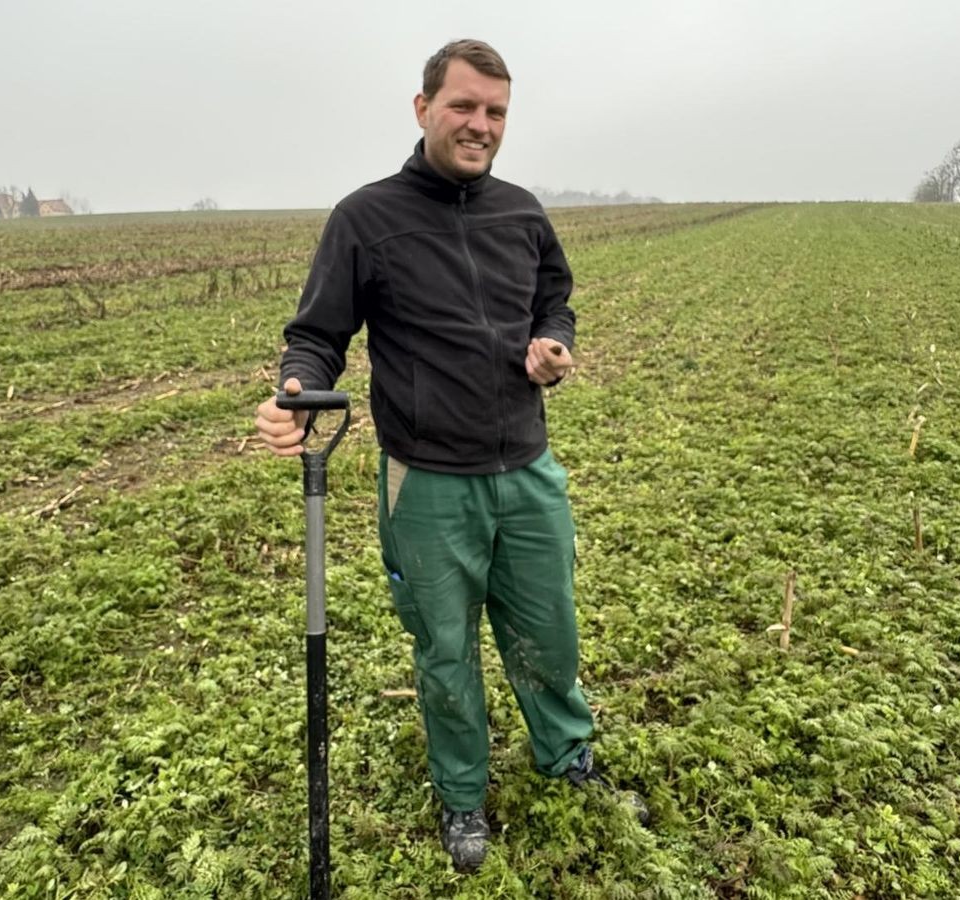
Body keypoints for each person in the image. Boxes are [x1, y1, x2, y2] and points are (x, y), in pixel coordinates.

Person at [254, 38, 647, 873]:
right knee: (444, 650)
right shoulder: (367, 219)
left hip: (528, 471)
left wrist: (553, 342)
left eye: (496, 112)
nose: (481, 125)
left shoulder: (522, 213)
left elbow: (555, 299)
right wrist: (296, 390)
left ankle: (565, 754)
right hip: (427, 482)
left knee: (550, 633)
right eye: (464, 106)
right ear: (424, 107)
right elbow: (318, 335)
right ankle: (462, 794)